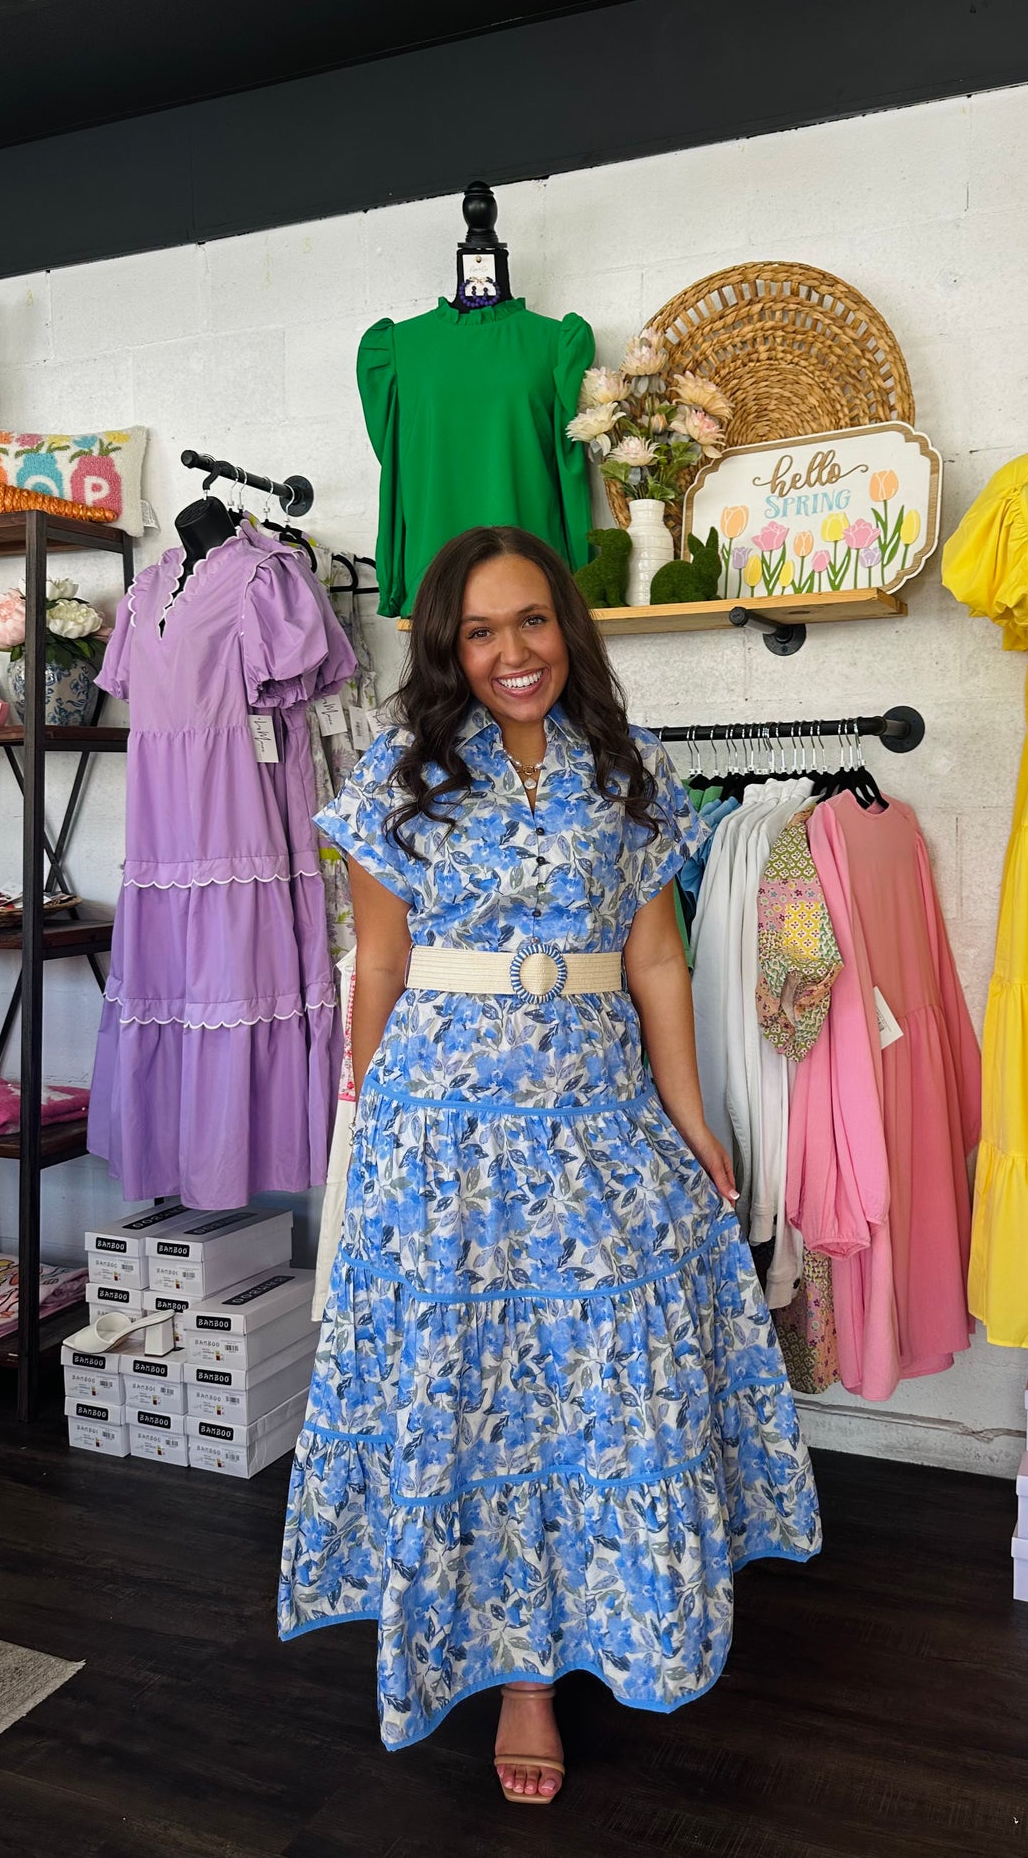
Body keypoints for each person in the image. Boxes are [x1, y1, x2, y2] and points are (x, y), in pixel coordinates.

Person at [278, 524, 821, 1803]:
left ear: (565, 629)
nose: (509, 651)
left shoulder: (627, 773)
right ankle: (520, 1677)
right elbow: (382, 968)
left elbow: (654, 964)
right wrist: (364, 1125)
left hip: (595, 1118)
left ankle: (615, 1619)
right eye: (478, 631)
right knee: (474, 1395)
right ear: (446, 650)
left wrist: (691, 1116)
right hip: (441, 1132)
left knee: (602, 1384)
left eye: (529, 621)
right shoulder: (395, 783)